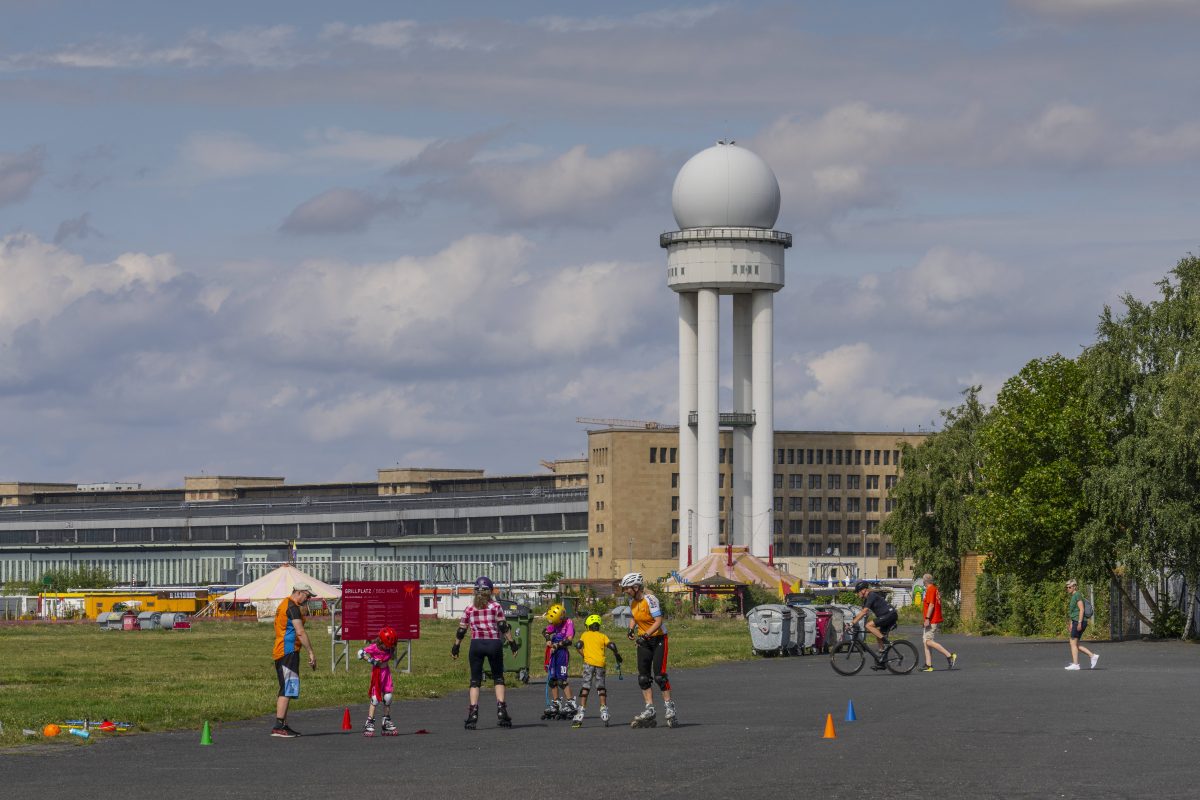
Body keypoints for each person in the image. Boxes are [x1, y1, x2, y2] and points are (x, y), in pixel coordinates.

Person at [451, 576, 519, 729]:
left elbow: (462, 629)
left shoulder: (469, 608)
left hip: (476, 645)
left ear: (475, 592)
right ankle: (501, 710)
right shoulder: (495, 607)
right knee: (498, 677)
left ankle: (473, 713)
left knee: (475, 680)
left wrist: (456, 646)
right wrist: (512, 643)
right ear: (491, 592)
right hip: (494, 643)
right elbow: (503, 626)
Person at [620, 572, 677, 728]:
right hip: (644, 641)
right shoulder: (633, 602)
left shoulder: (650, 600)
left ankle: (669, 707)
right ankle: (650, 709)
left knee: (659, 676)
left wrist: (645, 635)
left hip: (658, 639)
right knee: (643, 678)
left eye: (627, 588)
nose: (625, 591)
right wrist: (631, 629)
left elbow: (658, 621)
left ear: (636, 587)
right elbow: (634, 617)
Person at [271, 583, 317, 738]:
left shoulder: (285, 604)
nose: (308, 599)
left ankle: (283, 724)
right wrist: (311, 652)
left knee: (288, 687)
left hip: (283, 650)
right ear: (299, 592)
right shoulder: (292, 607)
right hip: (288, 651)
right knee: (287, 687)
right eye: (307, 595)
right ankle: (278, 726)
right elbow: (300, 632)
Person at [572, 613, 623, 727]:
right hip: (600, 664)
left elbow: (578, 645)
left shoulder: (585, 634)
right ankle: (604, 710)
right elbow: (612, 645)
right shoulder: (602, 636)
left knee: (586, 686)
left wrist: (584, 655)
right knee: (601, 687)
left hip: (588, 664)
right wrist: (617, 655)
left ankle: (581, 712)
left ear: (588, 626)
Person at [357, 626, 399, 736]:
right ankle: (369, 722)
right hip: (377, 674)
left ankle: (386, 721)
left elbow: (391, 655)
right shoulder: (374, 647)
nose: (388, 648)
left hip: (386, 674)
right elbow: (360, 653)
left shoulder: (390, 648)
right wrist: (371, 660)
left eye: (390, 646)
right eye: (387, 645)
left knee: (388, 697)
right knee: (375, 699)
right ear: (381, 641)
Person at [541, 603, 578, 720]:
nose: (554, 624)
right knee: (552, 680)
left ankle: (571, 703)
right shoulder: (554, 622)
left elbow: (569, 640)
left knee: (562, 680)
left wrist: (557, 645)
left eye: (555, 622)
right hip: (554, 653)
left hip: (562, 654)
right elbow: (545, 631)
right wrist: (548, 639)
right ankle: (556, 704)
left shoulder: (568, 623)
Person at [850, 581, 898, 670]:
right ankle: (882, 660)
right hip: (886, 616)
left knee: (868, 625)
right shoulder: (866, 599)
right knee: (877, 634)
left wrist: (852, 623)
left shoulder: (871, 596)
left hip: (890, 615)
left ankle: (885, 641)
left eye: (858, 592)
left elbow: (864, 612)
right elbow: (863, 613)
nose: (857, 594)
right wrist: (854, 622)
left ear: (864, 590)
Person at [919, 573, 957, 672]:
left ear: (925, 581)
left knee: (928, 641)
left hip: (932, 619)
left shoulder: (931, 589)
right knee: (925, 642)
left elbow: (931, 605)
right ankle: (929, 665)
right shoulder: (934, 589)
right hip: (931, 619)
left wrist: (927, 618)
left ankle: (949, 655)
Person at [1065, 579, 1099, 670]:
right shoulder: (1073, 596)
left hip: (1080, 621)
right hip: (1076, 621)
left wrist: (1079, 622)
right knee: (1075, 644)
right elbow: (1073, 611)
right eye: (1067, 587)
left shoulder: (1077, 595)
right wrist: (1071, 623)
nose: (1068, 588)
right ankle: (1092, 656)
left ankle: (1076, 664)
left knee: (1073, 642)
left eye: (1070, 587)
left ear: (1074, 587)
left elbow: (1081, 609)